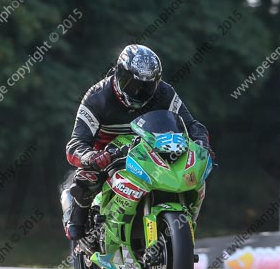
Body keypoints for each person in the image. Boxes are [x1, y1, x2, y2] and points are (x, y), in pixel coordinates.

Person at [65, 44, 213, 251]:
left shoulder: (164, 92)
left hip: (150, 150)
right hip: (108, 154)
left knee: (191, 174)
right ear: (118, 74)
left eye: (147, 86)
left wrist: (201, 142)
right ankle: (80, 228)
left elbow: (192, 125)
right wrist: (91, 156)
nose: (139, 91)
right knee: (85, 180)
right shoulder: (97, 97)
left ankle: (179, 227)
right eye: (132, 83)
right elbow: (75, 144)